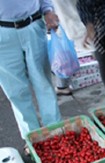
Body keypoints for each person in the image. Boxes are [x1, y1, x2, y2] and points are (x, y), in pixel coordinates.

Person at [0, 0, 62, 153]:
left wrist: (47, 9)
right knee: (15, 91)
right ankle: (32, 137)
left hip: (32, 24)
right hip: (2, 33)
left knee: (43, 83)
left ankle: (54, 131)